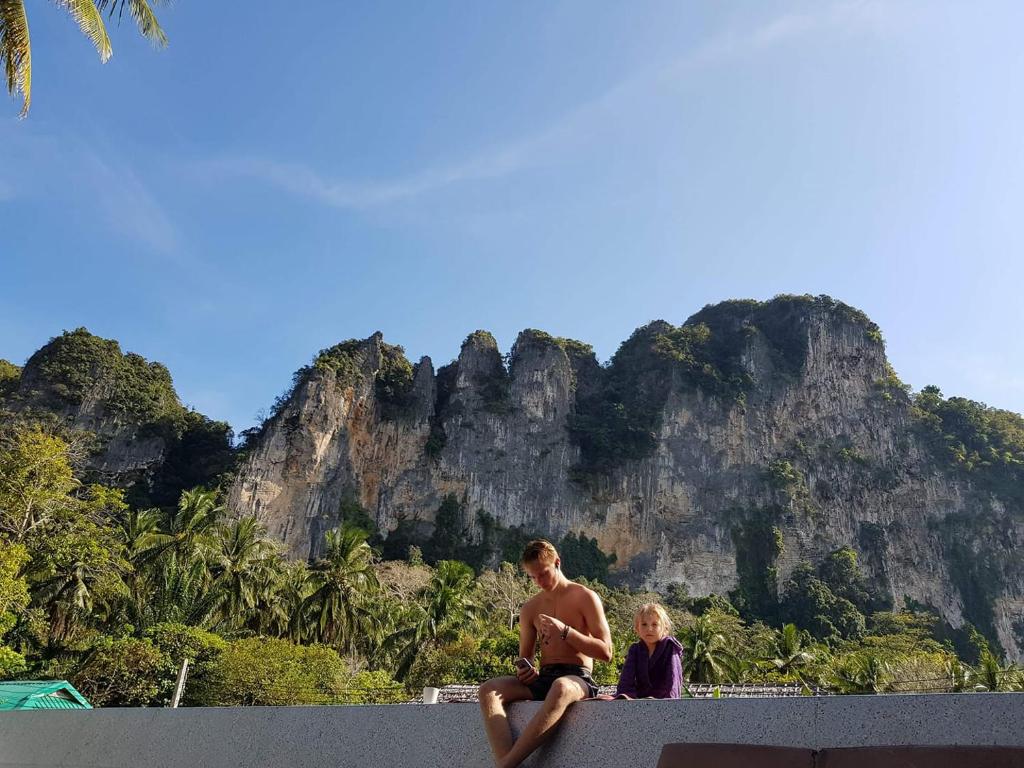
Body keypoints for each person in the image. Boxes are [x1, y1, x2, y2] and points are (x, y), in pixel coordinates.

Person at [478, 539, 613, 768]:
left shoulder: (585, 597)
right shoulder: (530, 608)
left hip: (576, 678)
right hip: (544, 678)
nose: (539, 581)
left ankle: (506, 765)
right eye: (533, 577)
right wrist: (525, 671)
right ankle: (508, 761)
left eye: (544, 573)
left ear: (557, 563)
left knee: (560, 686)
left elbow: (606, 652)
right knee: (489, 689)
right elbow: (526, 658)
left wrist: (566, 631)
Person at [615, 602, 683, 699]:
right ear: (637, 628)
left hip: (663, 700)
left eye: (655, 624)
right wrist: (625, 697)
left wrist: (670, 702)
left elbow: (673, 680)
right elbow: (626, 681)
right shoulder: (635, 650)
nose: (649, 629)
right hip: (640, 700)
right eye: (644, 624)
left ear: (665, 629)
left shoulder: (670, 647)